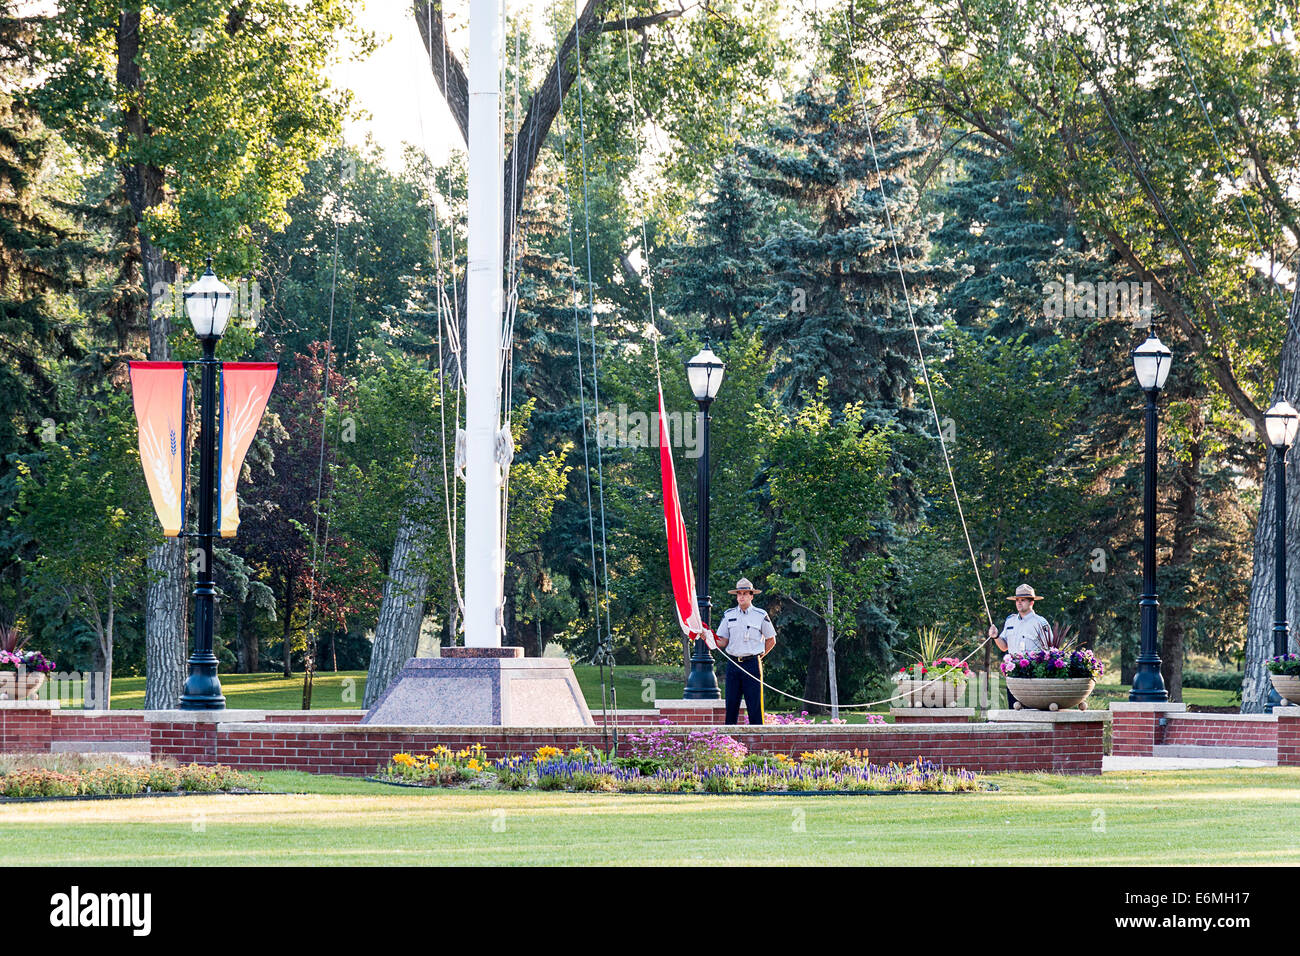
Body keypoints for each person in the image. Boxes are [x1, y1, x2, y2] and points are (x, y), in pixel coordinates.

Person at [712, 577, 777, 724]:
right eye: (739, 593)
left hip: (752, 663)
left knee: (755, 706)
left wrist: (760, 657)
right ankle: (729, 743)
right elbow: (722, 641)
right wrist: (707, 636)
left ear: (751, 595)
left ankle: (758, 742)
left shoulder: (760, 615)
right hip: (733, 663)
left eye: (745, 593)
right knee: (731, 705)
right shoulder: (729, 615)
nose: (741, 596)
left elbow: (771, 639)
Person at [987, 583, 1052, 708]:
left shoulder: (1040, 622)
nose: (1019, 603)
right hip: (1013, 675)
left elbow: (1049, 650)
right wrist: (995, 636)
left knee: (1033, 712)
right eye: (1017, 600)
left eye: (1023, 600)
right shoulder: (1010, 621)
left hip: (1033, 675)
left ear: (1031, 602)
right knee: (1014, 709)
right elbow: (1004, 647)